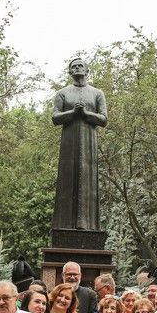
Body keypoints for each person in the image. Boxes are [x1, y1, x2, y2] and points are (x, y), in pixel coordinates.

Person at [52, 57, 107, 232]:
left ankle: (89, 226)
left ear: (87, 70)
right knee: (67, 183)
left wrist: (85, 113)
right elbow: (55, 118)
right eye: (73, 67)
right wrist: (73, 112)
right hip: (69, 144)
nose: (77, 68)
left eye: (80, 66)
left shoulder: (97, 93)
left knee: (88, 183)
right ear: (69, 72)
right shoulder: (62, 93)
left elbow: (104, 119)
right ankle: (65, 226)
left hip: (89, 144)